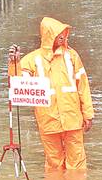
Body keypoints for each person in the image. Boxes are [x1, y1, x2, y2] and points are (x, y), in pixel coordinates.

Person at [20, 17, 94, 171]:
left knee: (77, 162)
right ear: (49, 36)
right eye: (59, 35)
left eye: (64, 34)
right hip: (48, 119)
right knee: (54, 162)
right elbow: (17, 82)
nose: (63, 38)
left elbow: (83, 86)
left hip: (72, 118)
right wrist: (13, 61)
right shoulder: (31, 60)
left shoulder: (71, 56)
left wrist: (88, 114)